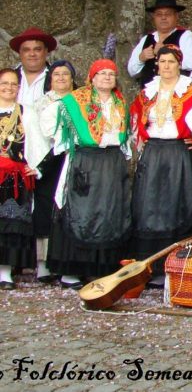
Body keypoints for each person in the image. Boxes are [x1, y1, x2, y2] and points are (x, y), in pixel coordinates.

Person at [48, 59, 131, 287]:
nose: (107, 77)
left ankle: (99, 268)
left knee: (107, 212)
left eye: (111, 74)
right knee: (80, 211)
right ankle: (71, 270)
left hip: (111, 162)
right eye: (102, 73)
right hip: (85, 159)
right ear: (92, 78)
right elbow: (57, 134)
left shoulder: (120, 102)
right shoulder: (75, 102)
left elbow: (126, 137)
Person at [128, 46, 192, 270]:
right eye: (162, 62)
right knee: (150, 204)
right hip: (153, 152)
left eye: (171, 62)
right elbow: (135, 120)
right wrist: (140, 139)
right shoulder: (147, 92)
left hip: (178, 152)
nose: (166, 66)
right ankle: (149, 264)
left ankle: (176, 264)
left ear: (179, 64)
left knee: (176, 203)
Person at [23, 60, 76, 284]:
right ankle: (43, 264)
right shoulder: (39, 104)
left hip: (72, 159)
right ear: (50, 79)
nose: (61, 78)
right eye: (56, 75)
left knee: (69, 210)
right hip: (47, 160)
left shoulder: (81, 101)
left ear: (73, 78)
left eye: (66, 74)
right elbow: (35, 135)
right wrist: (39, 162)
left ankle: (66, 261)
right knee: (45, 208)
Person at [0, 68, 37, 289]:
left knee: (10, 224)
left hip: (14, 177)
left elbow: (36, 142)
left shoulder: (26, 112)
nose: (9, 88)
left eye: (14, 84)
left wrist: (35, 165)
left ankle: (5, 273)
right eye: (4, 83)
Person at [127, 0, 192, 87]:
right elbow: (131, 70)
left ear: (176, 16)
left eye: (168, 14)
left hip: (175, 94)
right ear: (154, 17)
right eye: (159, 14)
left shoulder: (186, 36)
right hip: (149, 96)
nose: (163, 17)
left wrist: (166, 51)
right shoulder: (147, 39)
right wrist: (141, 58)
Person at [9, 27, 56, 107]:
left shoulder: (59, 79)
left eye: (37, 49)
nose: (32, 54)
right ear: (19, 53)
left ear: (46, 51)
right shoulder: (6, 79)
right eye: (26, 50)